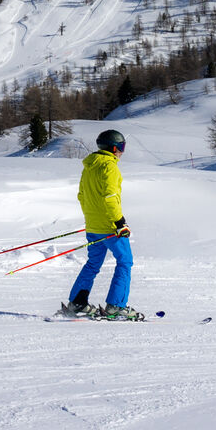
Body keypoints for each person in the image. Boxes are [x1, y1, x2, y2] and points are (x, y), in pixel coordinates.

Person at [58, 129, 143, 321]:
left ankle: (77, 303)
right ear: (114, 148)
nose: (122, 151)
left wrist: (93, 218)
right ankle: (116, 306)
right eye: (121, 147)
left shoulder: (89, 166)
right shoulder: (109, 167)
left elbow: (82, 196)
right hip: (110, 227)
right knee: (125, 261)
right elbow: (110, 197)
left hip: (93, 226)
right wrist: (119, 222)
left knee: (93, 263)